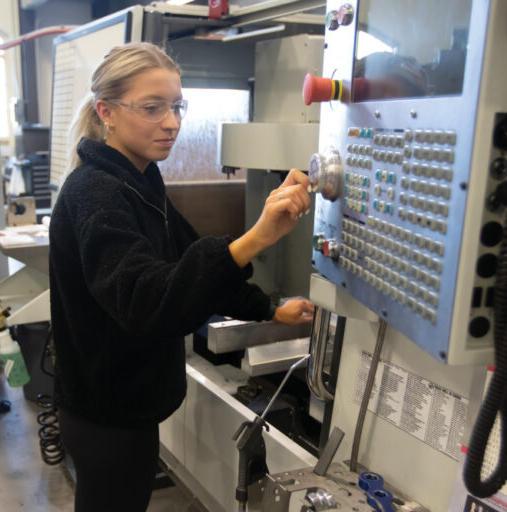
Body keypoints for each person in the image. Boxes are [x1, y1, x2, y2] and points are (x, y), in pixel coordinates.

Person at [48, 42, 314, 512]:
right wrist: (257, 237)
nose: (171, 122)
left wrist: (269, 309)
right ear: (106, 111)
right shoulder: (96, 192)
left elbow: (191, 264)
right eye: (153, 108)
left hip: (126, 404)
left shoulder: (139, 178)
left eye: (176, 106)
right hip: (107, 413)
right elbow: (147, 301)